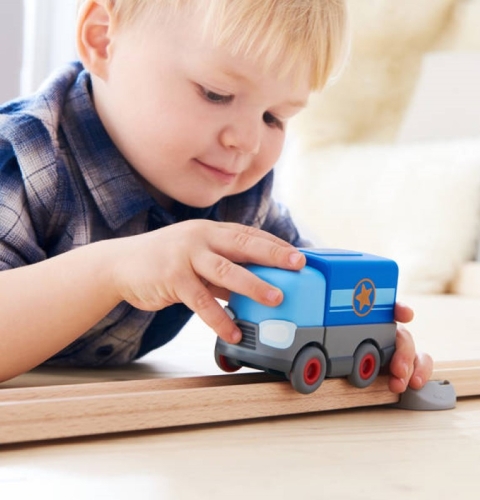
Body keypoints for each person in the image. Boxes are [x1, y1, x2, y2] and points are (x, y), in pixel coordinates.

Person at [0, 0, 432, 390]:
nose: (246, 141)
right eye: (215, 93)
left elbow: (306, 290)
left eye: (273, 117)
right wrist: (116, 269)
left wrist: (369, 336)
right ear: (102, 39)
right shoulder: (25, 157)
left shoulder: (236, 196)